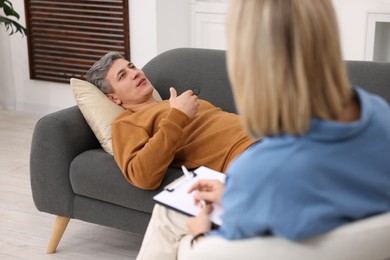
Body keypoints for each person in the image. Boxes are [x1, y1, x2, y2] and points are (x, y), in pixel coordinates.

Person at [135, 0, 390, 259]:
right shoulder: (380, 115)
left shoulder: (262, 169)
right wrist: (238, 193)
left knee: (173, 220)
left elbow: (228, 253)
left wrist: (199, 237)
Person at [85, 52, 256, 190]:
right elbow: (141, 176)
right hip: (247, 155)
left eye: (132, 67)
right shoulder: (127, 123)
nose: (135, 73)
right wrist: (177, 116)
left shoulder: (172, 102)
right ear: (114, 98)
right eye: (122, 76)